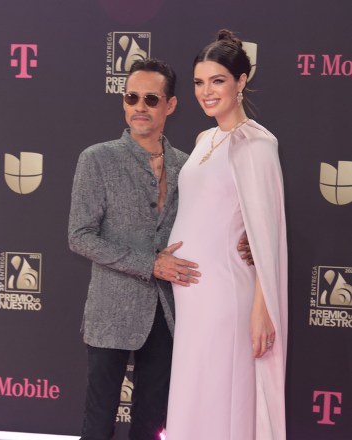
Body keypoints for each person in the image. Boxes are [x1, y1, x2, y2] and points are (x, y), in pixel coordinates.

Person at [69, 58, 252, 440]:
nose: (139, 107)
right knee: (99, 418)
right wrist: (149, 264)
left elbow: (216, 219)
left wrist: (246, 240)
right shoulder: (97, 160)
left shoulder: (189, 166)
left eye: (151, 99)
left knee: (151, 420)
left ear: (170, 105)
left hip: (170, 315)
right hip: (111, 312)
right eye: (132, 97)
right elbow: (80, 236)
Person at [165, 30, 288, 440]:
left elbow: (266, 234)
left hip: (226, 297)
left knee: (223, 396)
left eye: (217, 80)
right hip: (193, 297)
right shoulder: (204, 139)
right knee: (196, 394)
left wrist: (262, 309)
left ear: (241, 81)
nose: (206, 91)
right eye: (199, 82)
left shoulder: (255, 143)